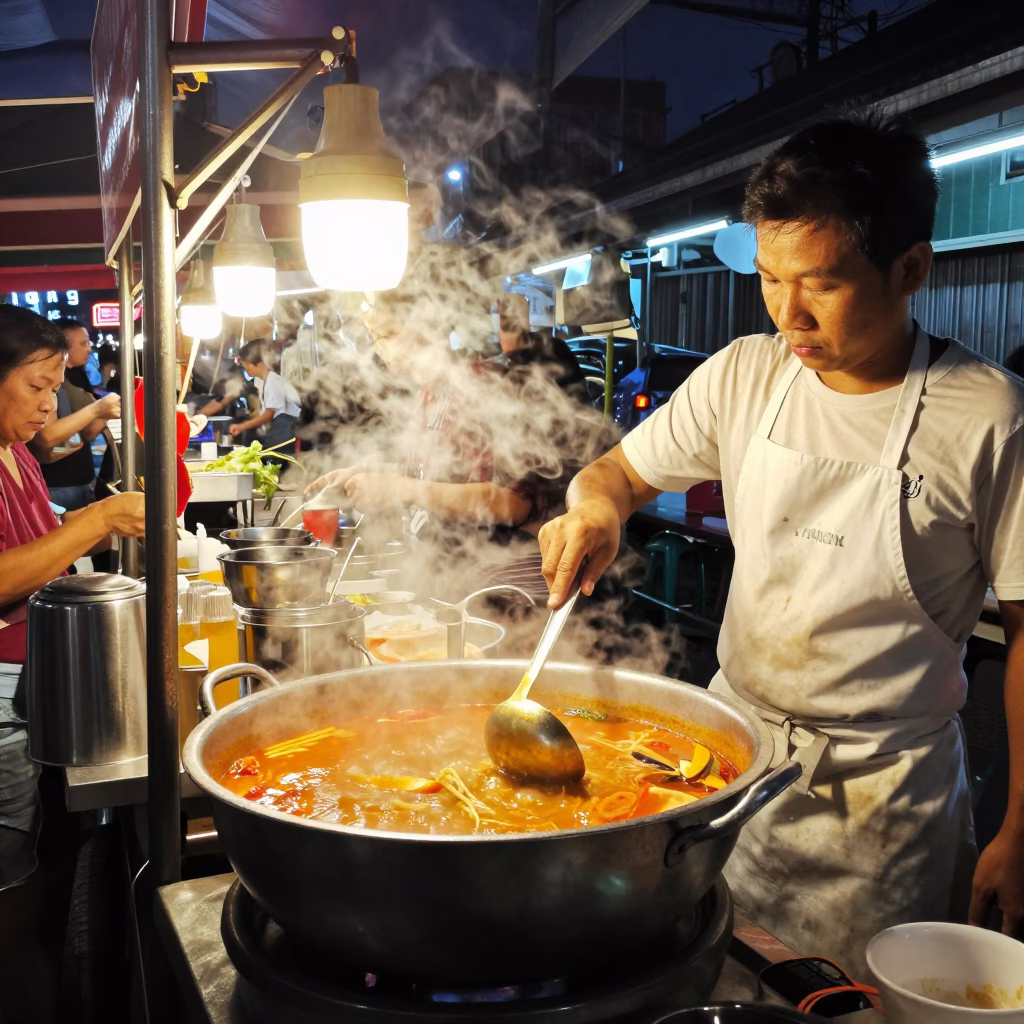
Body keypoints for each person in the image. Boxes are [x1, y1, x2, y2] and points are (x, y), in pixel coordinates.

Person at [538, 110, 1024, 976]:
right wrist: (595, 511)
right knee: (715, 980)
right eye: (768, 278)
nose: (787, 315)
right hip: (733, 770)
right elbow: (613, 473)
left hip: (885, 808)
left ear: (911, 268)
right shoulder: (744, 373)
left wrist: (1022, 829)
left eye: (822, 284)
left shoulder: (988, 416)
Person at [0, 308, 144, 1020]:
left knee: (52, 846)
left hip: (39, 678)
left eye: (57, 385)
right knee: (12, 868)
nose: (49, 404)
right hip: (2, 695)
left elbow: (41, 536)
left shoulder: (16, 452)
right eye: (36, 385)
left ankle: (49, 975)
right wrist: (98, 520)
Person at [29, 321, 121, 512]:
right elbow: (46, 437)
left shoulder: (76, 379)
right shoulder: (58, 384)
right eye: (84, 343)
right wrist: (96, 410)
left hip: (80, 483)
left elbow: (77, 437)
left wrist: (101, 418)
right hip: (60, 488)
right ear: (64, 346)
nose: (89, 349)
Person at [228, 340, 301, 458]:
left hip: (286, 435)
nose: (246, 369)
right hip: (281, 433)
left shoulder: (273, 381)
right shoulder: (267, 380)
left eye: (247, 365)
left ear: (258, 363)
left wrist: (242, 426)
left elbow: (269, 414)